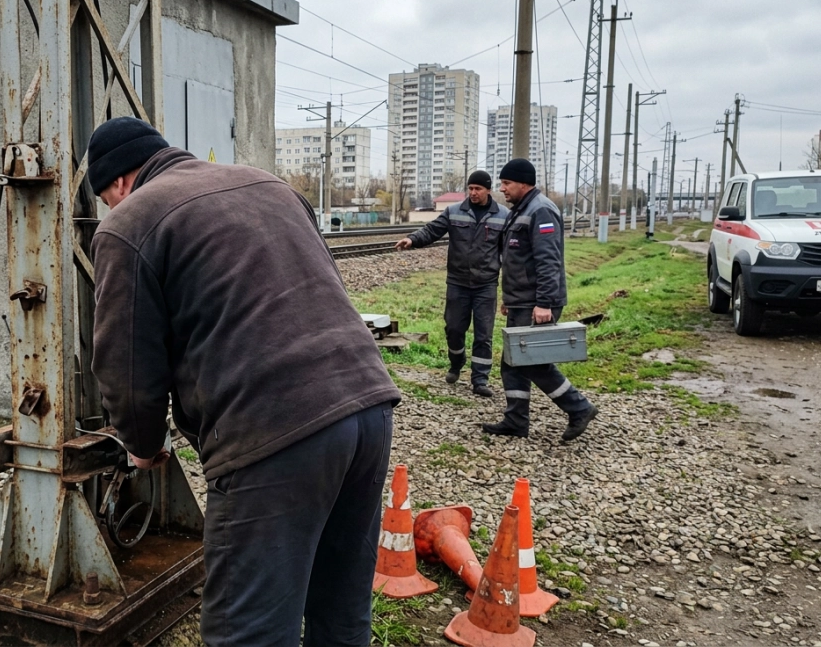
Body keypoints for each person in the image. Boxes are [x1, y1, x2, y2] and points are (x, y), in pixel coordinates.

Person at [86, 117, 401, 646]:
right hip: (367, 405)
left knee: (248, 631)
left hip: (273, 431)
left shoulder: (131, 221)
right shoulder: (268, 184)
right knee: (340, 608)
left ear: (117, 182)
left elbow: (126, 362)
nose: (111, 209)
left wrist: (142, 445)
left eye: (107, 199)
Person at [485, 158, 599, 442]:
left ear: (524, 183)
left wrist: (545, 303)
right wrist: (509, 298)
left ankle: (579, 407)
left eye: (507, 183)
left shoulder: (541, 211)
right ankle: (515, 421)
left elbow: (548, 262)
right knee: (512, 361)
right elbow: (516, 259)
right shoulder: (522, 210)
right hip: (521, 300)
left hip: (537, 301)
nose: (502, 189)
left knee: (532, 361)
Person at [395, 170, 507, 396]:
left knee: (484, 334)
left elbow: (508, 252)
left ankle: (480, 379)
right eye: (471, 188)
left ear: (488, 190)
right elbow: (432, 230)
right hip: (458, 282)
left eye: (478, 189)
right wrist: (412, 239)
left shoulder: (503, 215)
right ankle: (456, 363)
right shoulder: (454, 211)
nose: (473, 193)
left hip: (486, 284)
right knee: (454, 328)